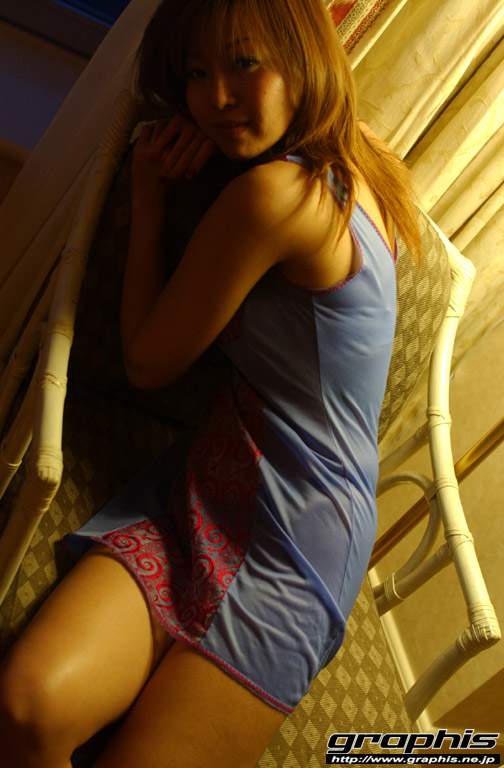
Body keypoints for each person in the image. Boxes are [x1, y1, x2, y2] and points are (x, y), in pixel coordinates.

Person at [0, 1, 421, 766]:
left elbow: (148, 363)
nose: (216, 97)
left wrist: (150, 196)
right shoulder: (351, 151)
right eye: (197, 72)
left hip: (295, 547)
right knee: (27, 711)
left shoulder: (277, 197)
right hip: (211, 488)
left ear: (302, 58)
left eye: (244, 63)